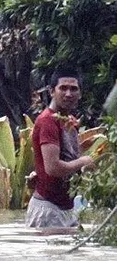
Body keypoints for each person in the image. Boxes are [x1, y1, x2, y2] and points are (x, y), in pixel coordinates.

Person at [26, 72, 94, 230]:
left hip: (66, 208)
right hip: (48, 209)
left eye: (73, 89)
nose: (68, 94)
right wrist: (83, 162)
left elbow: (68, 160)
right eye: (63, 88)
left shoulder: (68, 121)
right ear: (51, 91)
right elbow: (53, 167)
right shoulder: (47, 121)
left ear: (80, 94)